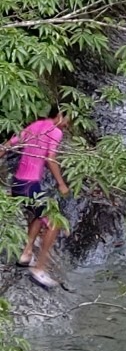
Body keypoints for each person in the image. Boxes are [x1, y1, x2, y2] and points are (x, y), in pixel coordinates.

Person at [0, 107, 70, 289]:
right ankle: (39, 269)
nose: (68, 124)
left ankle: (26, 253)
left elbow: (8, 145)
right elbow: (51, 158)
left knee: (40, 216)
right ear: (60, 115)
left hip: (18, 184)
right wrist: (61, 183)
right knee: (54, 223)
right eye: (68, 119)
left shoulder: (35, 125)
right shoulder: (54, 131)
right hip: (30, 185)